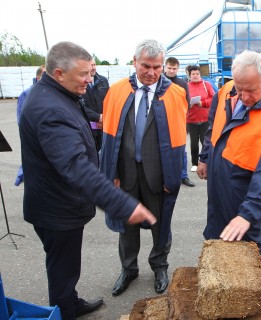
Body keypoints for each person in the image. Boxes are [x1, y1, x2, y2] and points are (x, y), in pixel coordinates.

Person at [18, 41, 156, 320]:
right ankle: (65, 311)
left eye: (90, 73)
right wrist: (123, 204)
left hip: (58, 203)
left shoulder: (55, 94)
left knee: (65, 266)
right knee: (62, 269)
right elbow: (75, 166)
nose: (89, 80)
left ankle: (69, 300)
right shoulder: (51, 109)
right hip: (57, 209)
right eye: (83, 75)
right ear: (58, 73)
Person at [101, 39, 187, 296]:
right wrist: (113, 174)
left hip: (158, 174)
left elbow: (179, 140)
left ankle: (160, 266)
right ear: (134, 62)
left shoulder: (175, 93)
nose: (151, 73)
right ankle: (128, 269)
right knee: (127, 225)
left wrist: (173, 174)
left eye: (157, 67)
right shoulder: (116, 91)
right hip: (125, 174)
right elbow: (109, 137)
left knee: (161, 225)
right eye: (146, 66)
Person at [197, 50, 261, 263]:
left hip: (245, 194)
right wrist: (205, 157)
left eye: (250, 90)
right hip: (217, 184)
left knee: (249, 249)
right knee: (216, 238)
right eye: (239, 88)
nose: (243, 96)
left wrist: (248, 214)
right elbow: (213, 126)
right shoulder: (226, 91)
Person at [164, 56, 195, 187]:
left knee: (182, 149)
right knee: (163, 150)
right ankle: (164, 177)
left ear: (178, 69)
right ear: (165, 67)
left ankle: (183, 176)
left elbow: (187, 102)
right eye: (169, 68)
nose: (171, 71)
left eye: (174, 68)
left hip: (178, 121)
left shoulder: (182, 84)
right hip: (162, 121)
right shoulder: (158, 81)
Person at [15, 65, 45, 186]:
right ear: (38, 78)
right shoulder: (27, 94)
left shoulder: (52, 94)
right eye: (46, 76)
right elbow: (22, 121)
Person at [186, 65, 215, 172]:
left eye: (197, 74)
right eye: (193, 74)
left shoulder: (206, 84)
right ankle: (194, 163)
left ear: (200, 74)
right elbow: (182, 101)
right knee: (193, 143)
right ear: (189, 75)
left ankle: (206, 161)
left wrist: (202, 103)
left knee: (205, 142)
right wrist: (188, 104)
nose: (195, 76)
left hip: (205, 118)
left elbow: (213, 99)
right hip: (191, 119)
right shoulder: (186, 86)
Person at [82, 58, 109, 151]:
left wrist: (105, 117)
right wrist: (98, 117)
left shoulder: (103, 81)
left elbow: (109, 101)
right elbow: (79, 106)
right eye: (91, 65)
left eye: (94, 65)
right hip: (88, 129)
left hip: (104, 127)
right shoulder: (80, 83)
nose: (93, 68)